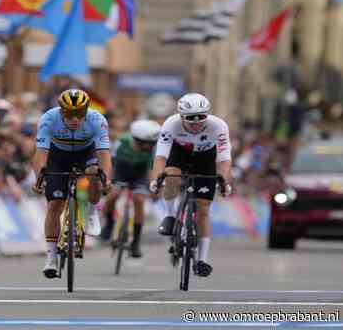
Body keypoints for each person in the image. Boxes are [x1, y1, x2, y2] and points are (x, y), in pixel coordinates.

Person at [149, 93, 233, 278]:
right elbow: (161, 156)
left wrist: (224, 181)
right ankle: (170, 216)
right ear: (181, 116)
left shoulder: (218, 126)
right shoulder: (171, 124)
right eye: (190, 118)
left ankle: (202, 260)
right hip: (180, 153)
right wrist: (156, 179)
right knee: (170, 177)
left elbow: (225, 158)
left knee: (203, 209)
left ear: (207, 115)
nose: (196, 122)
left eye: (201, 117)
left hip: (205, 157)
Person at [31, 89, 113, 278]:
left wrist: (106, 179)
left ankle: (92, 213)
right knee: (54, 205)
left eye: (79, 114)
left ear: (86, 111)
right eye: (69, 114)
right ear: (61, 112)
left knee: (94, 173)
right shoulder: (48, 119)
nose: (74, 119)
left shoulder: (97, 120)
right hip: (58, 156)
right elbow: (41, 153)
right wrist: (39, 178)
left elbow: (104, 155)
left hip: (87, 153)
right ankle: (51, 258)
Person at [100, 119, 160, 258]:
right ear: (136, 139)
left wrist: (154, 188)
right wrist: (107, 182)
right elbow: (110, 163)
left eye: (151, 144)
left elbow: (152, 169)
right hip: (121, 170)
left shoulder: (154, 148)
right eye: (145, 144)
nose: (148, 147)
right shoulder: (122, 142)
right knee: (113, 195)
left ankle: (136, 242)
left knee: (139, 200)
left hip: (140, 174)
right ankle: (109, 224)